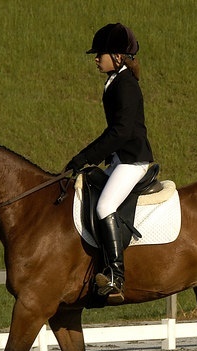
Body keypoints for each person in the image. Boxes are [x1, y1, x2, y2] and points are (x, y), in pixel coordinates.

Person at [65, 22, 154, 303]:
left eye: (99, 54)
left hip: (132, 161)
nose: (96, 58)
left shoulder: (125, 84)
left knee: (105, 206)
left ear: (117, 56)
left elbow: (121, 132)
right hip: (120, 159)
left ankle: (116, 276)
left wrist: (85, 157)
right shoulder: (116, 80)